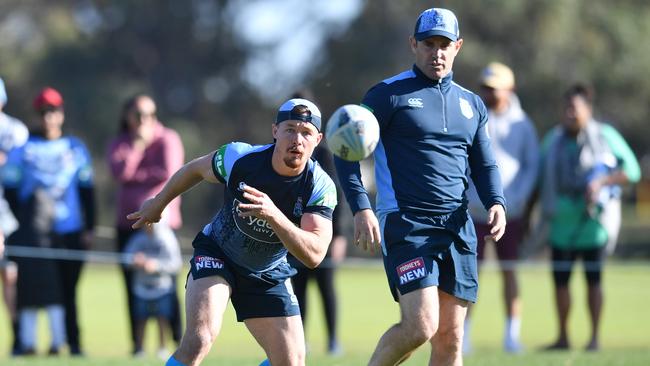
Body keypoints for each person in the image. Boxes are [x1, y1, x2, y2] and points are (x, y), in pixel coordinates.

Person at [334, 8, 506, 365]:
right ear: (414, 44)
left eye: (444, 44)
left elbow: (484, 163)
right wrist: (361, 207)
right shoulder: (386, 96)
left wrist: (496, 202)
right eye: (429, 44)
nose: (437, 52)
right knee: (420, 326)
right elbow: (343, 150)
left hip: (458, 227)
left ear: (458, 46)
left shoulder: (472, 104)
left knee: (451, 338)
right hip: (407, 223)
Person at [127, 97, 337, 366]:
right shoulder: (240, 158)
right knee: (199, 339)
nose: (297, 139)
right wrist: (159, 203)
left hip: (268, 271)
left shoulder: (320, 186)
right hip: (218, 255)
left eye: (306, 132)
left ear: (317, 139)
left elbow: (315, 254)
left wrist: (272, 214)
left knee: (292, 362)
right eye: (290, 129)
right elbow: (195, 170)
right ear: (275, 131)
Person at [540, 84, 640, 351]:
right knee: (561, 283)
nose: (570, 113)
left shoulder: (606, 136)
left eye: (575, 108)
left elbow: (632, 171)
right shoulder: (553, 139)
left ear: (588, 109)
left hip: (593, 226)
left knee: (593, 281)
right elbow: (540, 179)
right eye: (567, 108)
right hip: (561, 225)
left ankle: (594, 338)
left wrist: (603, 182)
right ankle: (563, 337)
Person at [3, 86, 95, 355]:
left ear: (61, 113)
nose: (48, 117)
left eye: (53, 111)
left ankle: (73, 344)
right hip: (35, 233)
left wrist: (89, 227)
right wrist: (24, 222)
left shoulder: (76, 148)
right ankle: (24, 342)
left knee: (68, 290)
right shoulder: (22, 150)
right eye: (43, 112)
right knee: (29, 289)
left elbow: (87, 190)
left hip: (70, 230)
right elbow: (10, 189)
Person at [464, 62, 539, 353]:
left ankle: (511, 336)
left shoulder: (523, 124)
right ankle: (464, 336)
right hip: (473, 211)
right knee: (470, 274)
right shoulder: (472, 118)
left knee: (510, 272)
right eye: (485, 88)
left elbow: (531, 166)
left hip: (512, 213)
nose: (488, 94)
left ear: (509, 90)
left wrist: (514, 200)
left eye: (494, 89)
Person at [107, 94, 185, 354]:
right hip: (127, 226)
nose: (144, 121)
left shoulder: (169, 139)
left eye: (149, 115)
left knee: (168, 285)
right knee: (131, 284)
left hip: (163, 223)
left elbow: (168, 173)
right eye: (138, 115)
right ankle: (137, 345)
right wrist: (138, 146)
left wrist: (135, 175)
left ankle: (177, 344)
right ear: (127, 117)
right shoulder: (121, 142)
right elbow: (120, 173)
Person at [288, 90, 347, 356]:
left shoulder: (324, 153)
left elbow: (338, 195)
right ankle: (301, 341)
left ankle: (333, 341)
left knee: (326, 289)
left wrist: (340, 236)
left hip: (323, 236)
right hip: (294, 236)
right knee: (297, 291)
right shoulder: (283, 152)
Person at [123, 222, 182, 359]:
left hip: (162, 287)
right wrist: (134, 261)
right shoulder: (137, 239)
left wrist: (156, 266)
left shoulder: (167, 238)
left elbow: (175, 264)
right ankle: (139, 349)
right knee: (140, 318)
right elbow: (126, 258)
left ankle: (162, 348)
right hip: (141, 287)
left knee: (162, 318)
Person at [0, 76, 28, 355]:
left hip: (8, 217)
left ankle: (18, 336)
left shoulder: (14, 130)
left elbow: (14, 169)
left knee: (10, 276)